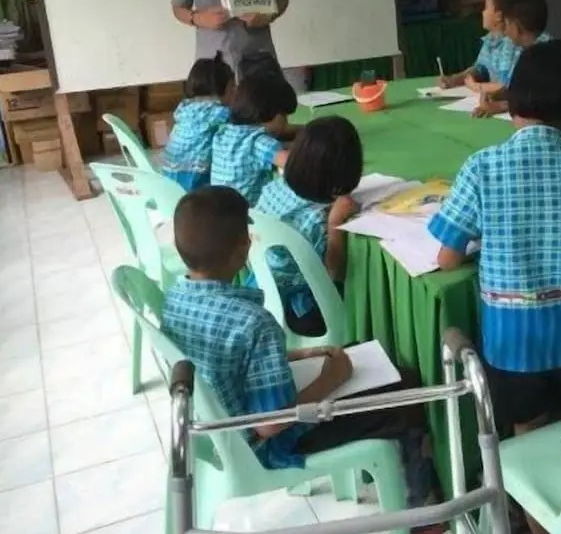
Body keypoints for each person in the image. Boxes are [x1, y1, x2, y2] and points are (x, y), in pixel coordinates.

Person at [428, 39, 561, 534]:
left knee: (528, 439)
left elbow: (446, 257)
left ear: (515, 97)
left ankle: (543, 531)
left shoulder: (483, 165)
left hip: (516, 344)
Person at [160, 186, 433, 504]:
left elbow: (225, 361)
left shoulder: (175, 299)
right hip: (268, 445)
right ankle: (424, 504)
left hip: (217, 432)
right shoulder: (254, 321)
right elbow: (270, 424)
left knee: (359, 354)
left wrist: (300, 354)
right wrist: (331, 380)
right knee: (407, 387)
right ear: (244, 247)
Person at [252, 116, 362, 337]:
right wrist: (335, 223)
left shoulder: (273, 188)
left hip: (261, 289)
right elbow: (334, 275)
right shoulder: (317, 219)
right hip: (300, 311)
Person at [210, 71, 295, 206]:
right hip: (247, 213)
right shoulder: (258, 142)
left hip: (219, 207)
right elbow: (295, 164)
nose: (286, 122)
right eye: (284, 115)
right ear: (273, 113)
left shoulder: (225, 132)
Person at [473, 0, 552, 118]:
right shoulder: (522, 50)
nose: (505, 31)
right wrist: (498, 95)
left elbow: (545, 101)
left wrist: (502, 106)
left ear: (516, 25)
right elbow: (518, 89)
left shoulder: (544, 54)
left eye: (506, 23)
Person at [161, 54, 234, 191]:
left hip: (169, 183)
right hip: (195, 186)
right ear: (230, 87)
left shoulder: (184, 108)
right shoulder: (221, 113)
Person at [438, 0, 522, 93]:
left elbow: (506, 86)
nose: (482, 12)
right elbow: (479, 69)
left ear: (498, 16)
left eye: (485, 8)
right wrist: (455, 79)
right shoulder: (490, 39)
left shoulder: (512, 43)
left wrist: (476, 86)